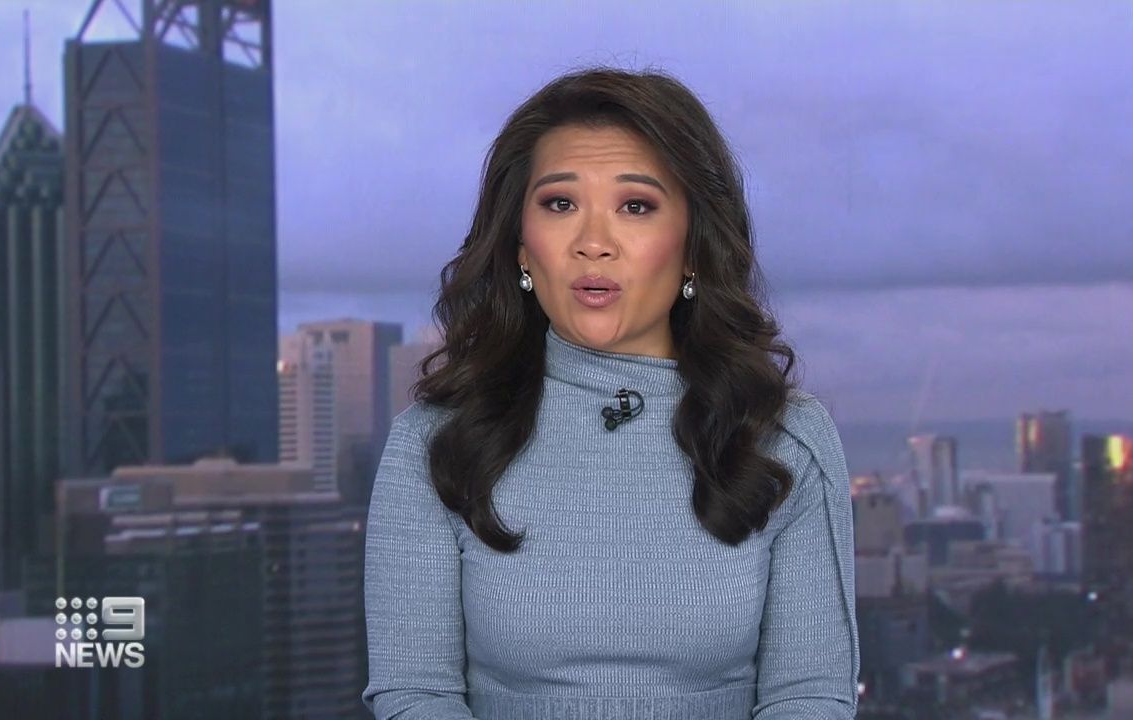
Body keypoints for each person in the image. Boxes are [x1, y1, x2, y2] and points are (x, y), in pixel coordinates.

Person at [361, 66, 859, 720]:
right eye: (560, 204)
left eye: (636, 206)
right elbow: (415, 693)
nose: (593, 244)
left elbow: (809, 696)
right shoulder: (433, 441)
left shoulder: (788, 439)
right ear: (520, 247)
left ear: (692, 249)